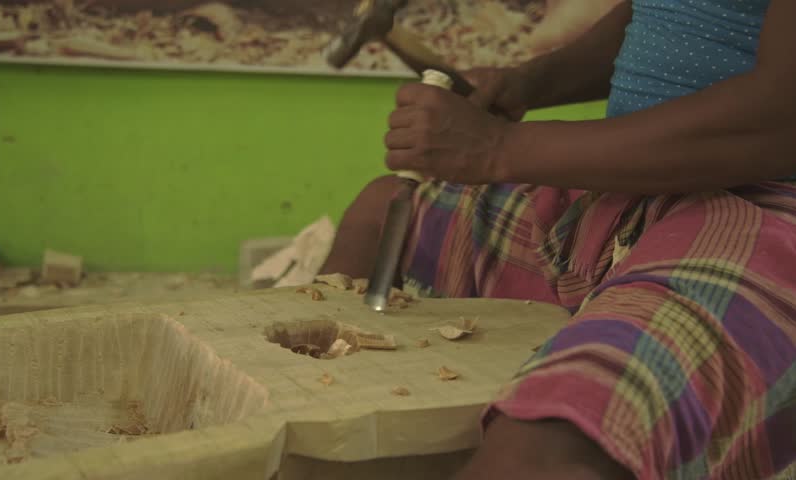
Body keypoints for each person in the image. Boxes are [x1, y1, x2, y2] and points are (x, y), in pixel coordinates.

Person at [320, 1, 796, 479]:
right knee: (381, 217)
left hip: (761, 211)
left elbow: (783, 116)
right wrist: (530, 83)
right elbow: (664, 14)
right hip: (623, 196)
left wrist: (497, 149)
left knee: (545, 452)